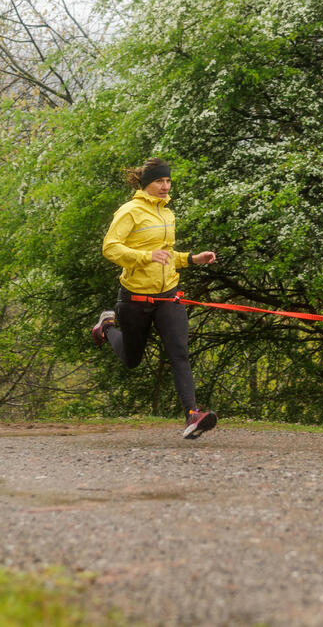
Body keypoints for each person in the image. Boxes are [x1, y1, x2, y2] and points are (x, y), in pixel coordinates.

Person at [91, 157, 219, 439]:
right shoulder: (130, 211)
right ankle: (107, 327)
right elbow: (110, 248)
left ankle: (192, 415)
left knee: (179, 353)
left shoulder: (167, 214)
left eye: (168, 181)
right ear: (146, 183)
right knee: (132, 359)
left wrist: (191, 259)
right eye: (160, 181)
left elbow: (166, 255)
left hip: (167, 297)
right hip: (134, 299)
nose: (165, 186)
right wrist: (145, 256)